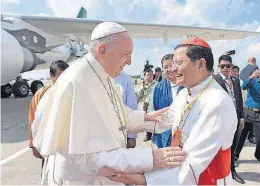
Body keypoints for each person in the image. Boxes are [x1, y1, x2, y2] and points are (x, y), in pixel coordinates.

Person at [33, 22, 186, 185]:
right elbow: (83, 159)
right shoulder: (76, 82)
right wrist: (149, 158)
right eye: (126, 54)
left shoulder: (104, 76)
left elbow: (116, 116)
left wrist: (146, 118)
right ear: (102, 50)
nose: (129, 61)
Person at [108, 37, 237, 185]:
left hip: (205, 179)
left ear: (201, 64)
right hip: (177, 174)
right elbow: (162, 122)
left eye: (179, 63)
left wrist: (145, 180)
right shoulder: (185, 93)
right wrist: (124, 122)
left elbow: (193, 163)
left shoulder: (217, 103)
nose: (173, 69)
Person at [28, 60, 69, 163]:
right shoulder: (42, 94)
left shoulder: (75, 92)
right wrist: (33, 144)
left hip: (69, 149)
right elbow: (33, 120)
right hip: (48, 147)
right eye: (60, 75)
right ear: (52, 76)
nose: (64, 79)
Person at [214, 55, 245, 184]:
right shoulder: (214, 81)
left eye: (228, 66)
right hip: (221, 120)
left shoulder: (236, 80)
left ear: (232, 67)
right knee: (220, 147)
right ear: (218, 67)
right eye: (222, 66)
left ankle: (232, 171)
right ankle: (219, 172)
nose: (225, 68)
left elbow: (239, 100)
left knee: (232, 146)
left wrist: (242, 117)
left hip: (236, 120)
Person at [235, 63, 260, 165]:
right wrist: (251, 77)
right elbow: (243, 87)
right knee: (241, 135)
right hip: (247, 111)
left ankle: (259, 155)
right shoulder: (253, 80)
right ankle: (235, 155)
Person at [147, 54, 183, 148]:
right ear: (162, 69)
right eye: (165, 67)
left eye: (171, 65)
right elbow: (151, 111)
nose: (169, 69)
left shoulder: (186, 85)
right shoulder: (157, 88)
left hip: (183, 136)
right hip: (162, 136)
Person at [114, 71, 138, 148]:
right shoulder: (93, 75)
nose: (128, 62)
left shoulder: (126, 79)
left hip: (119, 133)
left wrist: (132, 135)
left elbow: (132, 107)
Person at [240, 57, 258, 144]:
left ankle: (245, 136)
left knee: (247, 118)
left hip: (243, 94)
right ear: (254, 62)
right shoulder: (255, 68)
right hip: (252, 95)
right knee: (253, 119)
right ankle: (251, 136)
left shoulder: (242, 70)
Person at [137, 69, 157, 141]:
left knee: (155, 119)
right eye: (147, 75)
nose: (149, 76)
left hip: (154, 104)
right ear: (145, 76)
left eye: (151, 75)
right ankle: (148, 135)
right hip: (146, 104)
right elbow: (139, 95)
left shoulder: (157, 84)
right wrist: (143, 86)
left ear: (153, 76)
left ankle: (156, 135)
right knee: (147, 120)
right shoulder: (143, 86)